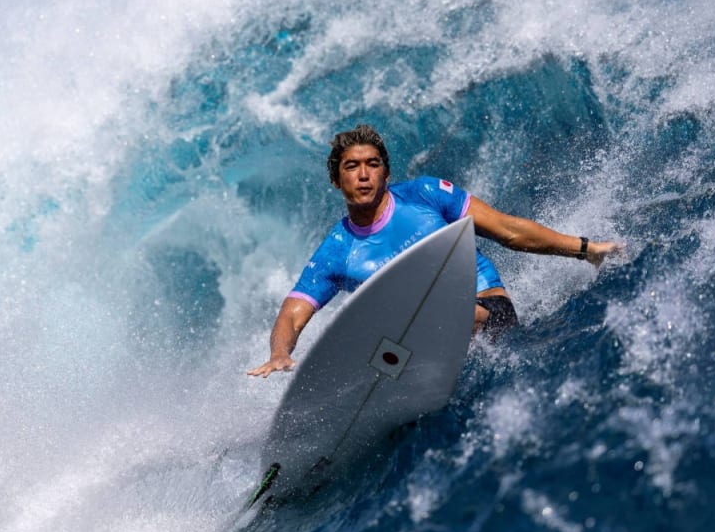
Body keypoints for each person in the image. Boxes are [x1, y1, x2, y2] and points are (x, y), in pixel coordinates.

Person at [247, 125, 623, 378]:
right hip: (406, 354)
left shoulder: (425, 195)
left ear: (386, 173)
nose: (363, 174)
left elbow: (508, 231)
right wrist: (280, 353)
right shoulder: (336, 251)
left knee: (411, 316)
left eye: (372, 165)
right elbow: (292, 315)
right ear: (336, 179)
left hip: (485, 314)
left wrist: (586, 249)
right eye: (352, 167)